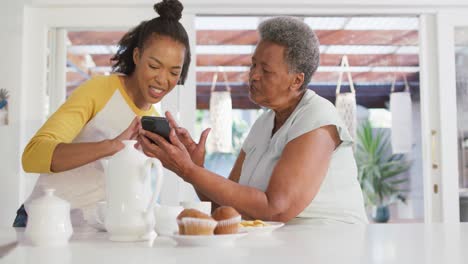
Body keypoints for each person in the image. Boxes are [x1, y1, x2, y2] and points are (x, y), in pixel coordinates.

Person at [138, 16, 368, 224]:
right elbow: (226, 207)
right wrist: (195, 167)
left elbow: (277, 209)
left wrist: (189, 170)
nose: (253, 75)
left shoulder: (318, 118)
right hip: (283, 248)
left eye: (265, 70)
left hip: (332, 245)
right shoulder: (263, 123)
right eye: (253, 64)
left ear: (296, 81)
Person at [17, 0, 190, 227]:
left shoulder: (153, 121)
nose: (162, 79)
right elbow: (32, 156)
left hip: (96, 231)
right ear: (137, 57)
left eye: (173, 72)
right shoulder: (100, 90)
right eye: (154, 66)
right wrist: (112, 146)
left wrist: (185, 162)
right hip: (45, 223)